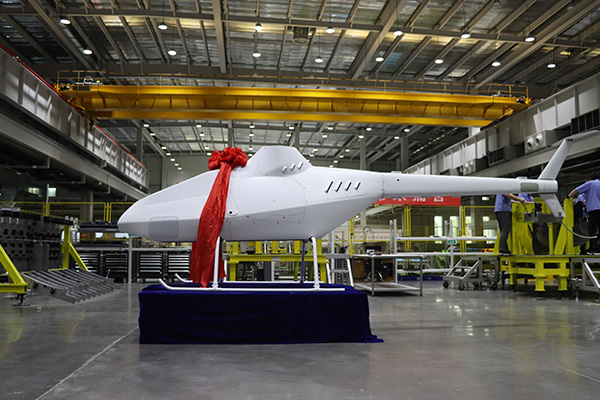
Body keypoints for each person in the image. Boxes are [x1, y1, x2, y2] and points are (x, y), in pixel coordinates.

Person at [569, 172, 600, 254]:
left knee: (592, 230)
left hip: (593, 210)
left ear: (591, 178)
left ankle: (595, 249)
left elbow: (576, 190)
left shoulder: (590, 183)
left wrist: (568, 196)